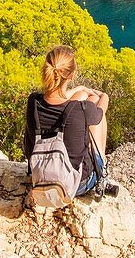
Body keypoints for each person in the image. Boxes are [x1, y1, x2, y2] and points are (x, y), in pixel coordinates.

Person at [23, 45, 111, 197]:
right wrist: (104, 96)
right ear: (71, 75)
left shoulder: (33, 101)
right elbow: (100, 111)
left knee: (84, 98)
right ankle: (101, 174)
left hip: (39, 178)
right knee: (96, 110)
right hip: (75, 185)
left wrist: (79, 89)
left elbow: (56, 99)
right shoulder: (80, 109)